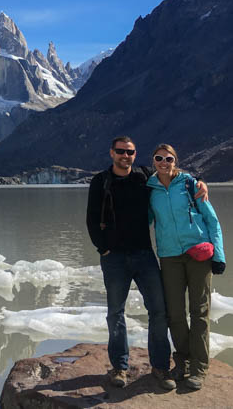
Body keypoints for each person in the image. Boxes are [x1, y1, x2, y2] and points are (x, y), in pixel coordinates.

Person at [86, 136, 208, 391]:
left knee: (159, 310)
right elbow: (91, 218)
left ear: (135, 154)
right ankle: (120, 367)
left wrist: (199, 182)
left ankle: (161, 367)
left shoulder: (144, 176)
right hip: (114, 258)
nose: (125, 156)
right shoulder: (101, 181)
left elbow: (171, 173)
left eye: (129, 152)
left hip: (144, 254)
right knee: (116, 313)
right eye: (120, 151)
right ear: (111, 153)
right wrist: (104, 248)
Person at [147, 143, 225, 391]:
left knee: (199, 311)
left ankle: (199, 367)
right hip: (169, 256)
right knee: (176, 314)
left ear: (175, 161)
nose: (164, 162)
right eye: (159, 158)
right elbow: (143, 220)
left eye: (168, 158)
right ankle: (182, 361)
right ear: (153, 161)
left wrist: (219, 256)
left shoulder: (190, 185)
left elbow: (211, 220)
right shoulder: (149, 189)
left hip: (198, 255)